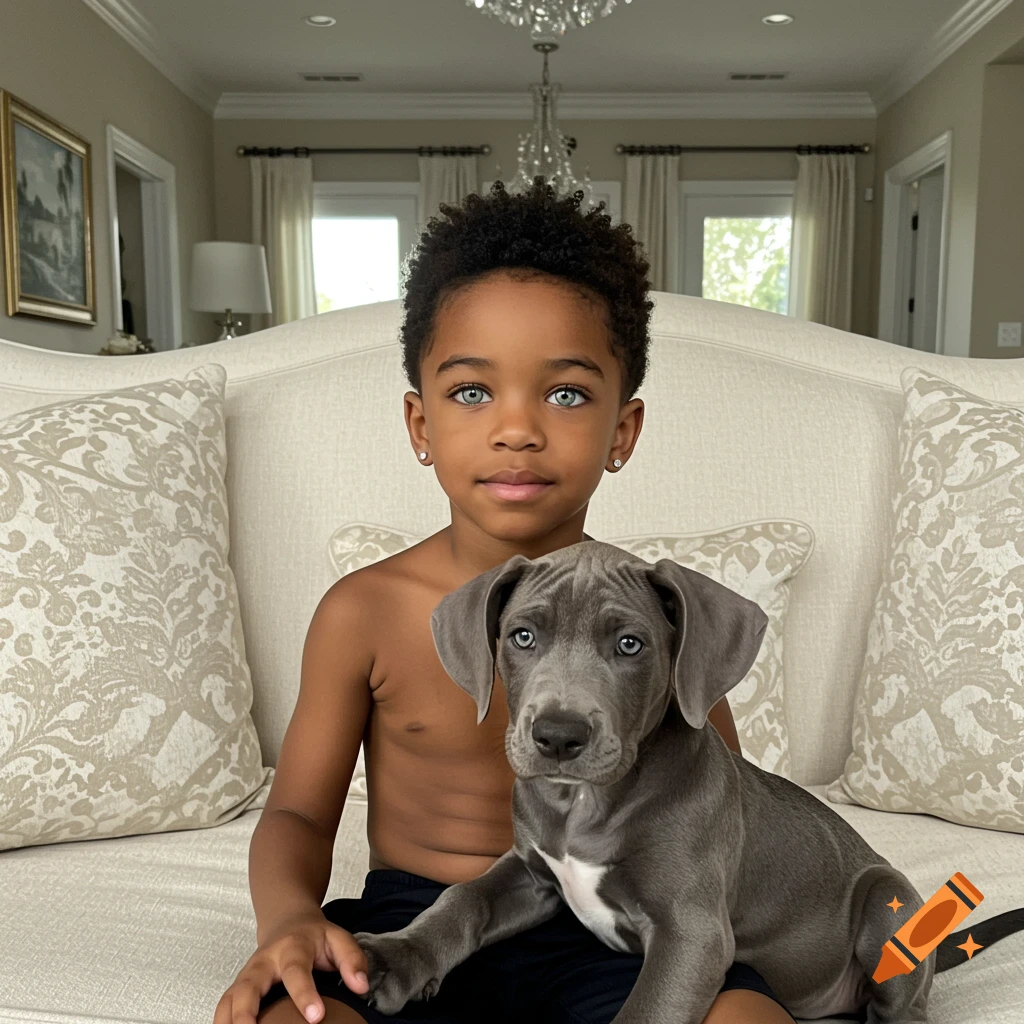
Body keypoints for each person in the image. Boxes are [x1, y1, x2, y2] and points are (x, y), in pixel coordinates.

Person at [214, 177, 797, 1024]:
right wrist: (291, 918)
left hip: (609, 928)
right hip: (412, 919)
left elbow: (718, 806)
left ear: (621, 431)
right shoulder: (366, 609)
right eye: (472, 391)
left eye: (565, 394)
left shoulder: (657, 620)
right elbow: (300, 811)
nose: (516, 427)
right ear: (420, 425)